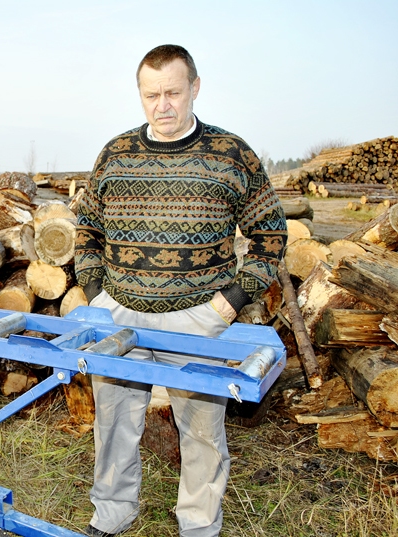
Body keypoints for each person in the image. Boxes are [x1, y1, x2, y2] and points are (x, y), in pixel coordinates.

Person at [74, 44, 287, 537]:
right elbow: (87, 227)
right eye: (151, 95)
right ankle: (112, 516)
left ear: (195, 88)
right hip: (120, 317)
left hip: (196, 319)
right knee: (114, 427)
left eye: (172, 92)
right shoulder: (116, 153)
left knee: (202, 434)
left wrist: (229, 302)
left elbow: (272, 233)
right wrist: (95, 294)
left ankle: (198, 526)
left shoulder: (231, 154)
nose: (162, 105)